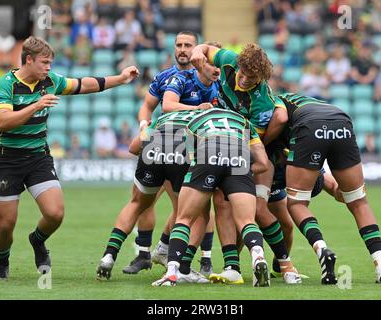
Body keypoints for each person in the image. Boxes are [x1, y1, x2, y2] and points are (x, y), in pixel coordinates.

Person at [0, 36, 139, 279]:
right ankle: (2, 261)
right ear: (29, 60)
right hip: (8, 161)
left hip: (38, 157)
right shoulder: (6, 84)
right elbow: (3, 122)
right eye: (45, 62)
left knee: (55, 213)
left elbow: (84, 84)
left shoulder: (50, 81)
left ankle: (37, 241)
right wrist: (36, 106)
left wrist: (120, 79)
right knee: (6, 224)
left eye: (50, 63)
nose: (49, 68)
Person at [190, 43, 301, 284]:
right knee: (221, 201)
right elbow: (205, 47)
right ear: (238, 65)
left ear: (261, 78)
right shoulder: (229, 59)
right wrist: (197, 52)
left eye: (252, 78)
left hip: (253, 151)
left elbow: (255, 141)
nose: (245, 80)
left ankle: (285, 265)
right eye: (243, 73)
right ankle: (234, 266)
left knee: (260, 210)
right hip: (228, 144)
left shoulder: (261, 102)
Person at [263, 93, 381, 284]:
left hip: (310, 126)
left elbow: (279, 122)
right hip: (340, 119)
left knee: (297, 204)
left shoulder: (272, 106)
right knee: (358, 202)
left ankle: (321, 248)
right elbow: (333, 187)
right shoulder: (298, 103)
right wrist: (348, 192)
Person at [124, 31, 215, 277]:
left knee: (186, 207)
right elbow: (147, 107)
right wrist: (144, 128)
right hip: (162, 144)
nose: (183, 49)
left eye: (188, 45)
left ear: (198, 50)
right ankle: (144, 254)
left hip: (189, 151)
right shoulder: (164, 76)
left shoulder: (207, 79)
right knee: (145, 201)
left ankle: (180, 254)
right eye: (179, 45)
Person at [152, 108, 271, 287]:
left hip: (209, 148)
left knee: (184, 218)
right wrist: (232, 175)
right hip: (239, 155)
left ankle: (172, 273)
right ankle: (258, 256)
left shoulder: (194, 121)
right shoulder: (243, 121)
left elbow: (193, 160)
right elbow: (262, 163)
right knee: (247, 221)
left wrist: (214, 177)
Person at [96, 110, 210, 284]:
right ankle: (183, 267)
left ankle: (109, 255)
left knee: (136, 203)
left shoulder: (165, 116)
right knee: (193, 212)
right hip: (182, 151)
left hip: (153, 147)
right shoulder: (205, 116)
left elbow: (133, 148)